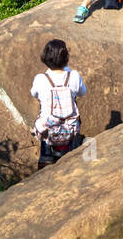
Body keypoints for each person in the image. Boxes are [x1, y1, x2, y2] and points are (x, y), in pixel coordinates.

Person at [30, 38, 87, 168]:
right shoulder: (74, 76)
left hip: (49, 131)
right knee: (71, 162)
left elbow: (34, 94)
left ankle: (45, 160)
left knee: (44, 124)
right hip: (70, 131)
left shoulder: (40, 79)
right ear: (66, 57)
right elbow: (82, 92)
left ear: (46, 57)